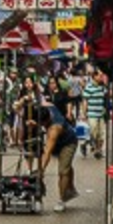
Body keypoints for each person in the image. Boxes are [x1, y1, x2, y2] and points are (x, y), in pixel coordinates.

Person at [39, 73, 79, 212]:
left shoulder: (54, 128)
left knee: (62, 171)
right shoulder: (47, 107)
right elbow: (42, 102)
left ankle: (62, 200)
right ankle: (71, 188)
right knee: (66, 165)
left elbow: (47, 151)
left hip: (69, 142)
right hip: (60, 141)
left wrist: (41, 171)